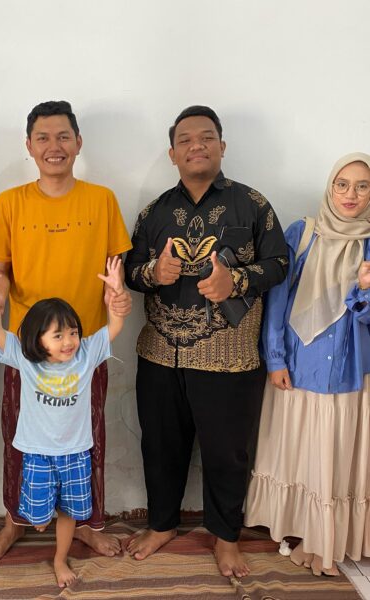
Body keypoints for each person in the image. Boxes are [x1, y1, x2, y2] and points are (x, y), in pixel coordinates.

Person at [124, 105, 288, 578]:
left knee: (227, 452)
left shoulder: (253, 204)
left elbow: (280, 263)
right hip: (160, 353)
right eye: (185, 139)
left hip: (229, 355)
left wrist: (235, 281)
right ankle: (161, 524)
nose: (196, 145)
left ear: (222, 146)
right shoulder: (153, 212)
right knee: (160, 446)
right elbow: (130, 272)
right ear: (172, 153)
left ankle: (226, 536)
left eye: (207, 137)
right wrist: (153, 272)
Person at [0, 100, 132, 565]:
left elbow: (116, 270)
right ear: (29, 146)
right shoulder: (10, 202)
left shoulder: (102, 199)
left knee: (89, 439)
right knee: (19, 439)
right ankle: (14, 522)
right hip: (27, 351)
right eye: (42, 137)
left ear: (78, 142)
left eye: (63, 136)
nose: (54, 146)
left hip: (85, 351)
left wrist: (119, 295)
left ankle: (85, 525)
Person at [245, 153, 370, 576]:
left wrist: (364, 291)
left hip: (351, 371)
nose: (351, 194)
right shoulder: (303, 234)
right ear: (330, 187)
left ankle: (328, 542)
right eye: (342, 184)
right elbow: (276, 303)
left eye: (362, 186)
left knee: (337, 460)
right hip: (299, 367)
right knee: (301, 455)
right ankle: (302, 533)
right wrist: (275, 359)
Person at [0, 257, 126, 586]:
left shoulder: (86, 355)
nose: (69, 341)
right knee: (39, 516)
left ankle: (60, 559)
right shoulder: (24, 358)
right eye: (57, 335)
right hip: (37, 453)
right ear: (37, 338)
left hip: (76, 453)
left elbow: (114, 326)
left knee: (69, 513)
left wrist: (115, 294)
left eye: (72, 332)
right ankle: (40, 520)